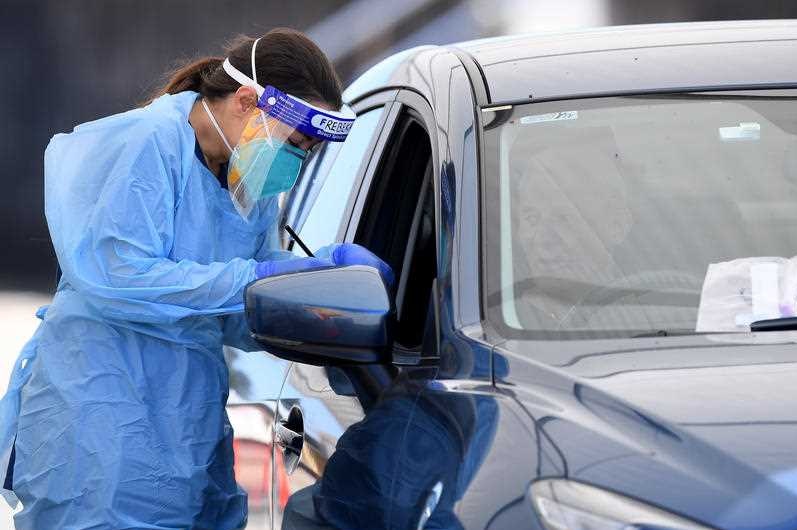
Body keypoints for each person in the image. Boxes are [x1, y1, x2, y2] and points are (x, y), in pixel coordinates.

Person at [0, 28, 393, 530]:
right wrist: (260, 278)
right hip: (101, 418)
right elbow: (120, 275)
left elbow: (237, 316)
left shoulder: (246, 189)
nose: (296, 161)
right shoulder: (145, 144)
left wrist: (309, 297)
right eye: (295, 143)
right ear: (248, 101)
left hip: (186, 427)